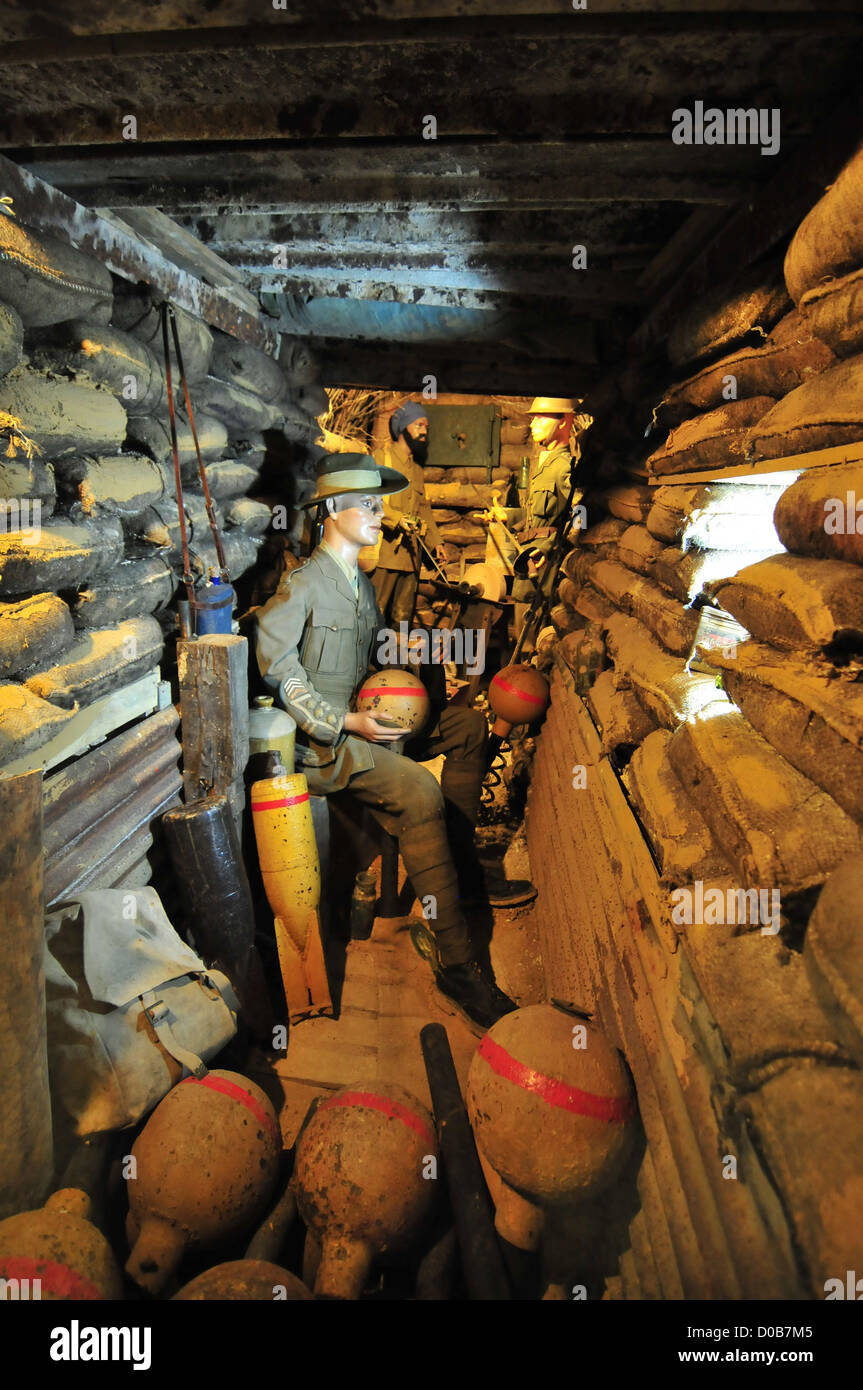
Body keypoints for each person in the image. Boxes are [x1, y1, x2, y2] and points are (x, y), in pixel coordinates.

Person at [255, 452, 535, 1031]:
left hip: (373, 714)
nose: (380, 513)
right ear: (333, 510)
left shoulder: (361, 584)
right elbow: (277, 668)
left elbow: (378, 654)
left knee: (467, 727)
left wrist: (422, 663)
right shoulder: (303, 585)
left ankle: (454, 868)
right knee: (418, 793)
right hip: (325, 744)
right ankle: (458, 964)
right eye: (368, 504)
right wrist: (344, 724)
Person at [370, 401, 447, 625]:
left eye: (427, 427)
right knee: (374, 616)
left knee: (402, 621)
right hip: (383, 555)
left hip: (411, 558)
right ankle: (367, 661)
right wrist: (397, 519)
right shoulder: (380, 460)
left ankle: (395, 661)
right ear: (403, 427)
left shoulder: (416, 470)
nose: (424, 431)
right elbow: (369, 500)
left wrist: (436, 542)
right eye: (419, 425)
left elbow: (423, 509)